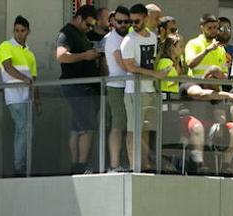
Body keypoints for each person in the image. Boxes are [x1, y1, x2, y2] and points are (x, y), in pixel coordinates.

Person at [120, 4, 168, 171]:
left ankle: (145, 165)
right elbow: (130, 67)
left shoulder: (152, 37)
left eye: (137, 20)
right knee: (133, 131)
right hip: (134, 91)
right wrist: (156, 74)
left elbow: (152, 61)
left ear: (145, 18)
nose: (133, 23)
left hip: (150, 90)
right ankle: (134, 167)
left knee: (146, 129)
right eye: (131, 21)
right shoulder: (128, 40)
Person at [57, 5, 103, 173]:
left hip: (84, 88)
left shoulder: (80, 34)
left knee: (77, 126)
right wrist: (85, 55)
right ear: (78, 18)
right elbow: (61, 56)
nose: (89, 28)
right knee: (88, 126)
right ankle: (81, 165)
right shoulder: (67, 33)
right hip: (76, 87)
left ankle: (76, 165)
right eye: (87, 24)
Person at [0, 16, 38, 176]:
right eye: (16, 31)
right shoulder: (5, 46)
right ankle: (19, 167)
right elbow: (7, 67)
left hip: (27, 98)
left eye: (22, 31)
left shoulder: (30, 53)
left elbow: (34, 80)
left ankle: (24, 166)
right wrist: (24, 79)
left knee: (28, 130)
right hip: (13, 96)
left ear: (28, 32)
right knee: (22, 128)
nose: (19, 34)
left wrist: (37, 100)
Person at [104, 7, 133, 171]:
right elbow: (123, 64)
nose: (123, 24)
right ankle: (114, 165)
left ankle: (125, 162)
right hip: (116, 86)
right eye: (120, 21)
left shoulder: (129, 36)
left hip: (128, 86)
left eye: (126, 22)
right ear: (113, 21)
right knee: (118, 125)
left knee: (127, 126)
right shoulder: (112, 39)